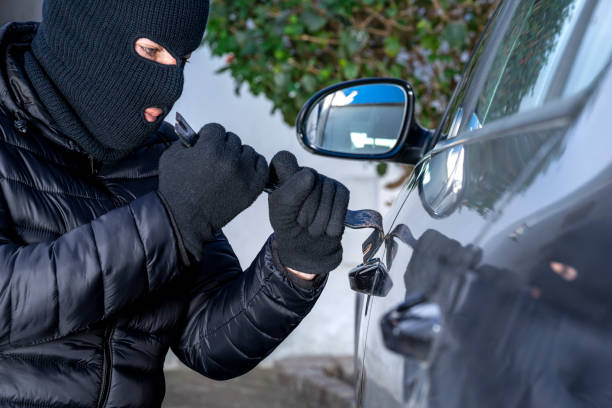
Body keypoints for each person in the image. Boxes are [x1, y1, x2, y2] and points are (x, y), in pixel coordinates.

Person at [0, 0, 350, 406]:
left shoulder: (162, 155)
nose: (170, 86)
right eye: (150, 51)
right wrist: (171, 221)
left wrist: (293, 265)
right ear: (84, 32)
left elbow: (207, 342)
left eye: (181, 59)